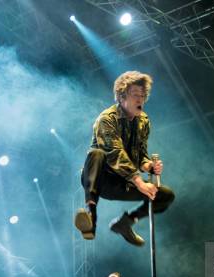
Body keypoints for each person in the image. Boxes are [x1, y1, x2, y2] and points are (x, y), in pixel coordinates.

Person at [75, 71, 175, 246]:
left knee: (165, 195)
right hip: (99, 179)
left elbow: (139, 154)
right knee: (96, 154)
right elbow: (115, 153)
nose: (140, 100)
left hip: (122, 182)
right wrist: (139, 182)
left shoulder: (143, 121)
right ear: (121, 97)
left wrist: (149, 166)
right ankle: (91, 216)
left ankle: (126, 222)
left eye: (143, 96)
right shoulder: (107, 119)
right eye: (135, 95)